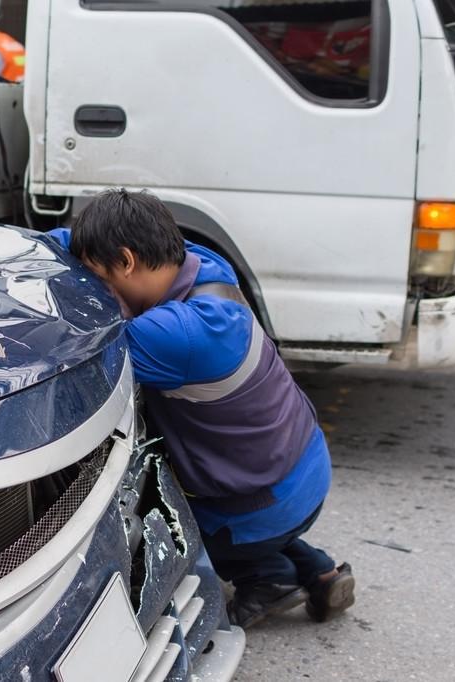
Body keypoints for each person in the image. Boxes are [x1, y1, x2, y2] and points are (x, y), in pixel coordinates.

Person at [47, 188, 355, 628]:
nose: (95, 285)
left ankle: (269, 579)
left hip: (265, 500)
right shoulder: (201, 263)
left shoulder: (179, 335)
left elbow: (78, 351)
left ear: (127, 261)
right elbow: (61, 243)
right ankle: (319, 572)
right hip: (302, 466)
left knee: (170, 531)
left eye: (98, 276)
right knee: (250, 520)